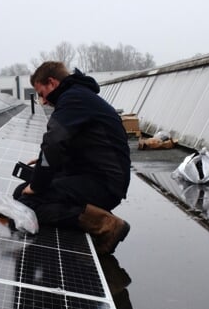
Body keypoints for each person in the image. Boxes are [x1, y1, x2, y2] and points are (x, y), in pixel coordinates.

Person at [14, 61, 131, 254]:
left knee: (27, 203)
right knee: (21, 192)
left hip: (104, 184)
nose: (43, 101)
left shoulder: (73, 99)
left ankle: (106, 225)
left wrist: (36, 185)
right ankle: (92, 215)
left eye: (42, 94)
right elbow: (70, 145)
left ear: (51, 83)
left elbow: (53, 144)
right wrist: (45, 163)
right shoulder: (77, 96)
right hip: (96, 176)